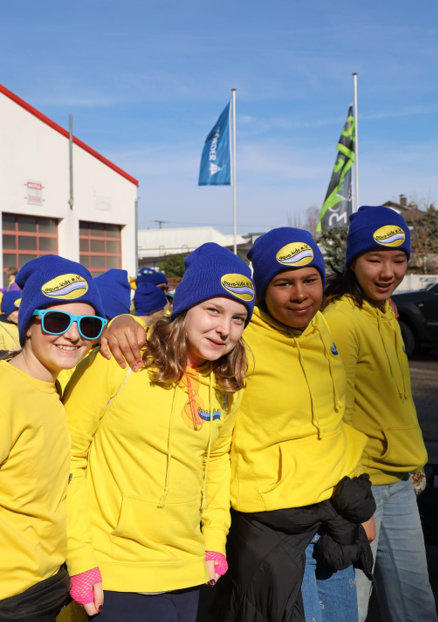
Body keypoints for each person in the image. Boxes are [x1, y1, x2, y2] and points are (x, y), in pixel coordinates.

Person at [101, 229, 376, 622]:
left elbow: (336, 420)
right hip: (274, 520)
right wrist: (122, 320)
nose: (300, 294)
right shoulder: (241, 339)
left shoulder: (322, 327)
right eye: (284, 283)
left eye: (310, 279)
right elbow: (182, 327)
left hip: (332, 510)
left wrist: (358, 502)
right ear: (263, 289)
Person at [63, 243, 255, 622]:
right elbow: (67, 458)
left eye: (238, 318)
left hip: (188, 569)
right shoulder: (122, 360)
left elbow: (216, 463)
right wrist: (80, 558)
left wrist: (214, 540)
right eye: (213, 310)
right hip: (116, 569)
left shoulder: (227, 381)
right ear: (183, 308)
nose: (224, 329)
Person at [323, 205, 437, 622]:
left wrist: (413, 458)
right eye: (375, 259)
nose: (388, 272)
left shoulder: (384, 310)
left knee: (416, 604)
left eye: (398, 260)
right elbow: (334, 415)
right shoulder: (341, 320)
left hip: (400, 480)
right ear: (353, 261)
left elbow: (395, 399)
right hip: (363, 487)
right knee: (349, 607)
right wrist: (354, 500)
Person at [0, 255, 106, 621]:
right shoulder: (6, 390)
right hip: (11, 596)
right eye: (57, 321)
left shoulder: (54, 385)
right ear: (28, 326)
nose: (74, 335)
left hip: (45, 585)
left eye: (88, 325)